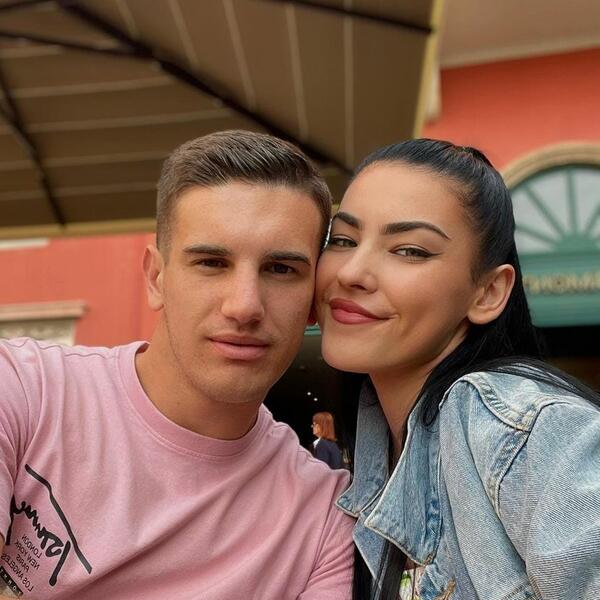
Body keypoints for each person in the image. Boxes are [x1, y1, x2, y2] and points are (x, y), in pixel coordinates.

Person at [0, 130, 354, 599]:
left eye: (281, 269)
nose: (244, 306)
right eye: (211, 263)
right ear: (156, 277)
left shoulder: (324, 520)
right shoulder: (25, 389)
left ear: (313, 300)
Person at [315, 138, 600, 600]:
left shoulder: (523, 433)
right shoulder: (372, 452)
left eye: (409, 250)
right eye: (343, 240)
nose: (351, 272)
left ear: (487, 292)